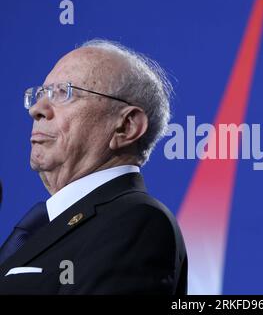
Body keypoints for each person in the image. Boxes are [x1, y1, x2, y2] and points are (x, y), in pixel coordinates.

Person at [0, 39, 187, 294]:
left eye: (64, 93)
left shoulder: (136, 221)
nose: (36, 109)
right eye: (41, 94)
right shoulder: (44, 225)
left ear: (126, 126)